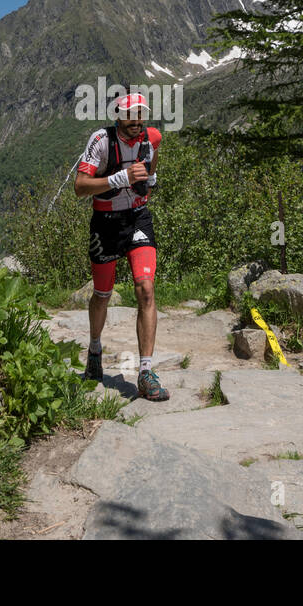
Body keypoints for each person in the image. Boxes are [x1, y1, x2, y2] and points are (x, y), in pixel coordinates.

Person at [73, 91, 169, 401]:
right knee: (102, 294)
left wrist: (148, 182)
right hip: (106, 223)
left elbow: (152, 163)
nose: (137, 122)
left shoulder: (151, 137)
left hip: (138, 218)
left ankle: (145, 372)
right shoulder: (101, 140)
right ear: (118, 118)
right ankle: (95, 348)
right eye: (130, 117)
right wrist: (119, 179)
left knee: (146, 288)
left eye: (141, 115)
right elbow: (79, 187)